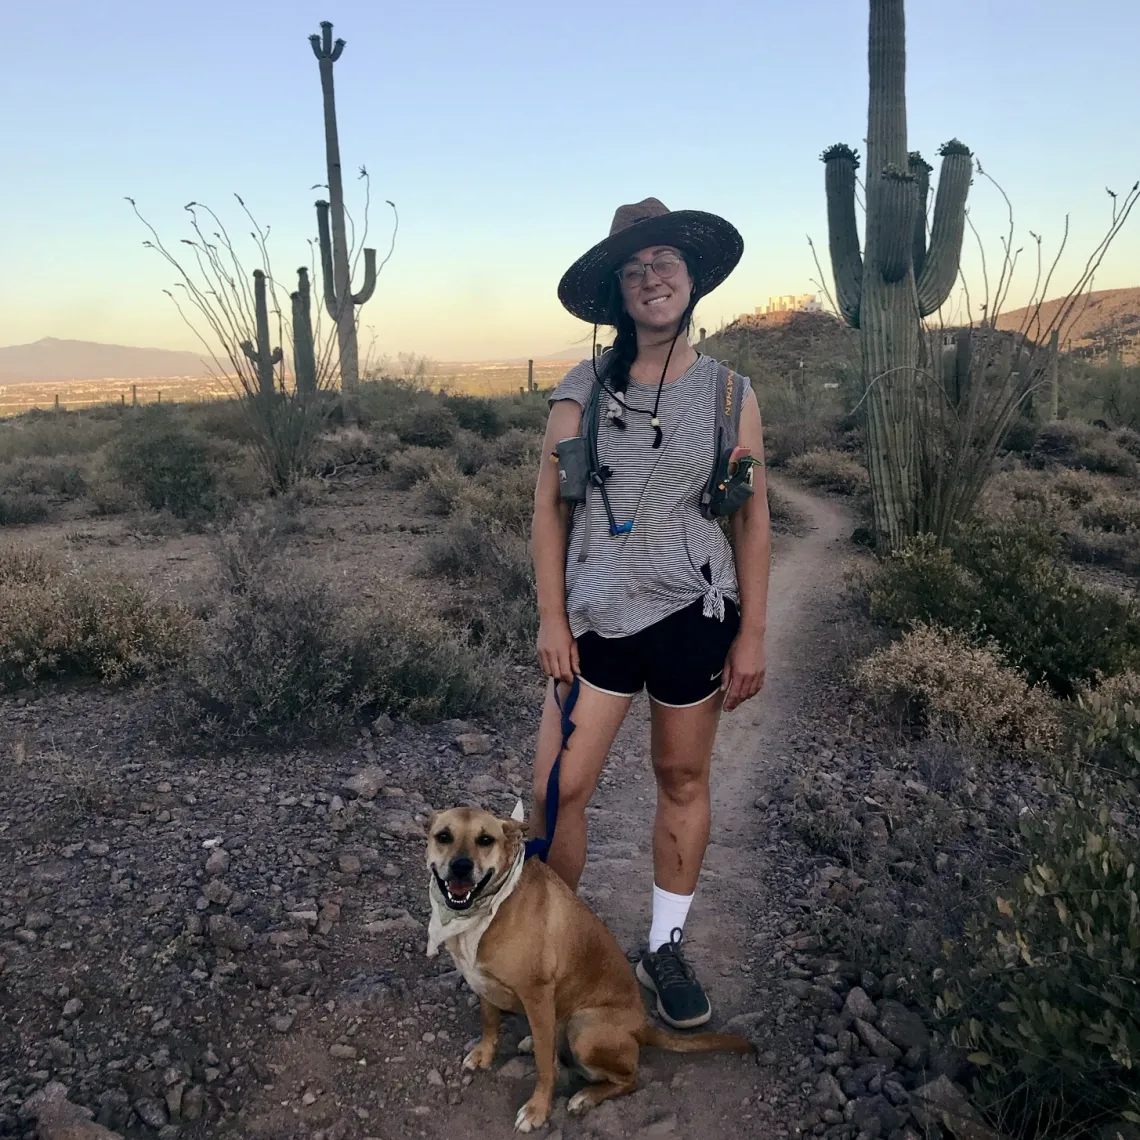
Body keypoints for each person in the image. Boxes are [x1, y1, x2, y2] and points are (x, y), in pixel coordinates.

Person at [527, 198, 771, 1029]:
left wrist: (752, 633)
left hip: (692, 615)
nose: (651, 276)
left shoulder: (731, 393)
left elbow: (750, 517)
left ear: (693, 278)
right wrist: (552, 619)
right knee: (558, 792)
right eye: (633, 268)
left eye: (664, 260)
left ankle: (663, 946)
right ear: (617, 291)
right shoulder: (580, 392)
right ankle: (551, 949)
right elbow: (548, 513)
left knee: (682, 777)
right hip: (594, 619)